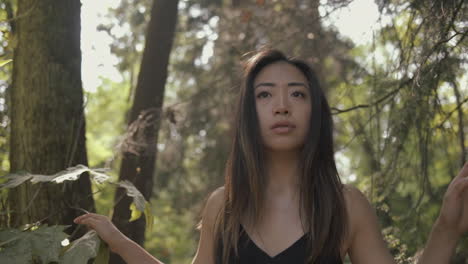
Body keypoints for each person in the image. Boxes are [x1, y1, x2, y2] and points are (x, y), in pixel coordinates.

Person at [74, 49, 468, 264]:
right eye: (265, 94)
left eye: (297, 93)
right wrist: (120, 242)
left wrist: (447, 227)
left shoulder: (346, 205)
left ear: (315, 112)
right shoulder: (223, 205)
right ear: (249, 113)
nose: (282, 106)